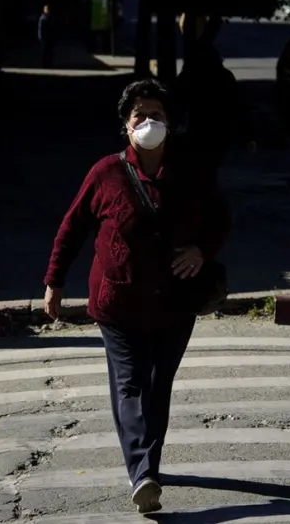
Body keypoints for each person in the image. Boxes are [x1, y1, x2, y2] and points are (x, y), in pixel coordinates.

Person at [42, 78, 231, 514]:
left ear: (170, 124)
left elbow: (221, 219)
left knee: (157, 386)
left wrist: (201, 250)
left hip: (175, 301)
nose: (149, 122)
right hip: (118, 302)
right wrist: (54, 280)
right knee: (130, 384)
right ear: (126, 127)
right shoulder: (105, 173)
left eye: (157, 115)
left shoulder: (192, 171)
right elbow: (71, 228)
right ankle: (142, 474)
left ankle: (148, 465)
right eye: (139, 116)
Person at [173, 13, 258, 179]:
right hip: (217, 134)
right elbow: (238, 107)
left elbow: (176, 100)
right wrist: (249, 136)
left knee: (198, 173)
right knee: (209, 172)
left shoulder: (191, 75)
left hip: (196, 132)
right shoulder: (223, 77)